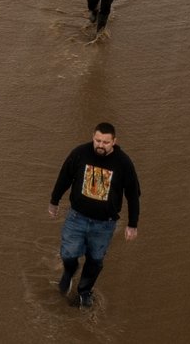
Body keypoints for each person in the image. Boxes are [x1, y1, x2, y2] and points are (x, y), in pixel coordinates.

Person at [48, 122, 141, 308]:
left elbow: (133, 194)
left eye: (106, 142)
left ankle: (84, 291)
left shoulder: (123, 162)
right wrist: (54, 201)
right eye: (97, 140)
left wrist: (132, 224)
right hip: (77, 218)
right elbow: (64, 177)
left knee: (95, 260)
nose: (100, 145)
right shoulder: (80, 153)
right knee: (68, 253)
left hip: (104, 224)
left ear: (114, 141)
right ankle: (69, 271)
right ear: (93, 138)